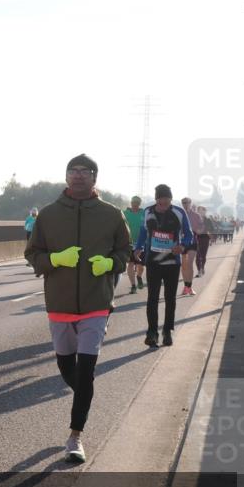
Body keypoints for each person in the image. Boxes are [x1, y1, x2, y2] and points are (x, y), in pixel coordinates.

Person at [25, 154, 130, 464]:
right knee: (67, 369)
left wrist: (111, 263)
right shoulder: (48, 215)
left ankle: (75, 437)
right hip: (59, 304)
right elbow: (33, 253)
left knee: (85, 371)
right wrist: (55, 260)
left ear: (95, 178)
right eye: (74, 170)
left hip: (97, 303)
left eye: (85, 171)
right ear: (66, 176)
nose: (79, 175)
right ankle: (85, 394)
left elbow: (126, 249)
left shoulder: (112, 214)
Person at [135, 185, 193, 348]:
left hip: (171, 263)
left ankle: (167, 331)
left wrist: (182, 246)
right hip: (153, 262)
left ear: (170, 199)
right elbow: (142, 232)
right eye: (161, 201)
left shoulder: (179, 212)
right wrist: (138, 247)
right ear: (156, 199)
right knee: (152, 298)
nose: (164, 204)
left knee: (170, 298)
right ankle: (152, 332)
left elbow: (189, 234)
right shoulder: (147, 212)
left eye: (167, 201)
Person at [179, 197, 204, 296]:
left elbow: (201, 228)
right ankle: (186, 287)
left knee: (189, 263)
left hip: (193, 241)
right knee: (184, 265)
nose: (185, 204)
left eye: (187, 202)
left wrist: (196, 230)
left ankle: (190, 287)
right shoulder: (179, 214)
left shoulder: (196, 215)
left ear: (190, 203)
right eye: (183, 202)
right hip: (182, 242)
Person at [123, 196, 145, 294]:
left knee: (140, 265)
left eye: (137, 202)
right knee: (130, 264)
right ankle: (133, 285)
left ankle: (139, 276)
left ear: (140, 203)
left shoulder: (144, 213)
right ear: (131, 202)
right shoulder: (125, 213)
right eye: (133, 202)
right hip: (129, 243)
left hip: (141, 244)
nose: (135, 204)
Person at [197, 206, 214, 275]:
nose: (201, 212)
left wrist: (209, 231)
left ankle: (202, 267)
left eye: (202, 211)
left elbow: (212, 229)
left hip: (205, 239)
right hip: (197, 238)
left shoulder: (208, 220)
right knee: (198, 255)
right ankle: (199, 270)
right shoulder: (195, 219)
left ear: (205, 212)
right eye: (199, 211)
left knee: (203, 255)